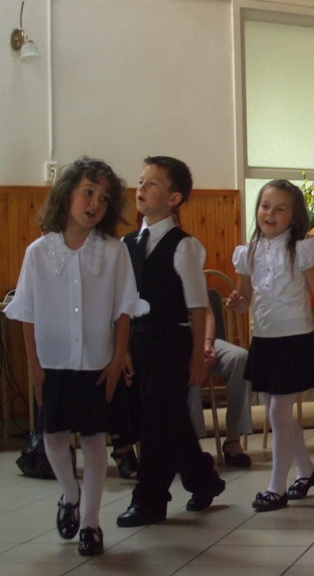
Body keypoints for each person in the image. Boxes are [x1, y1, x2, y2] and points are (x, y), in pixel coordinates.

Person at [4, 157, 146, 555]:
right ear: (67, 195)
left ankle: (90, 522)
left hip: (97, 363)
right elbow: (27, 312)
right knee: (52, 435)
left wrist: (117, 359)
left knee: (93, 438)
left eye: (104, 198)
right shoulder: (38, 252)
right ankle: (70, 494)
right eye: (88, 192)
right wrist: (34, 366)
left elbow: (123, 310)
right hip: (52, 362)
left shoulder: (114, 252)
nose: (95, 203)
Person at [116, 156, 225, 527]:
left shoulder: (184, 246)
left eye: (152, 184)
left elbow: (197, 306)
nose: (141, 189)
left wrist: (196, 356)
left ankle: (150, 500)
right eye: (140, 181)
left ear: (174, 198)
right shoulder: (128, 243)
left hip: (172, 341)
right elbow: (124, 303)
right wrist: (124, 348)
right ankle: (204, 479)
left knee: (157, 422)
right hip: (139, 339)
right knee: (168, 417)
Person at [227, 179, 314, 512]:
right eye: (265, 206)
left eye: (280, 209)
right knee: (279, 413)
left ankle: (276, 488)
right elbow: (245, 298)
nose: (270, 213)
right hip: (265, 340)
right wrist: (237, 302)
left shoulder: (301, 249)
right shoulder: (248, 252)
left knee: (278, 411)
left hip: (294, 339)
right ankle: (306, 471)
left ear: (294, 217)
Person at [187, 299, 253, 468]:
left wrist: (207, 343)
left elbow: (208, 315)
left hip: (205, 339)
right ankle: (190, 447)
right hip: (179, 343)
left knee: (240, 358)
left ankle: (233, 440)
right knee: (188, 366)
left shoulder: (196, 280)